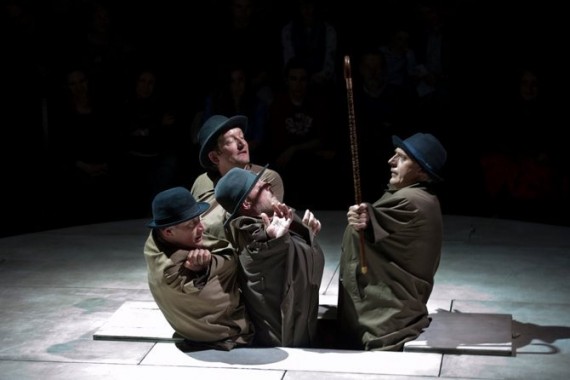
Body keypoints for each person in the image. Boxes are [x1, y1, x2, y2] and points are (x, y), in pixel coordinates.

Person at [337, 132, 447, 351]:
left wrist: (365, 215)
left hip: (390, 315)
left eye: (402, 158)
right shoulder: (420, 196)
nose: (391, 161)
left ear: (422, 173)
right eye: (394, 155)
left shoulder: (411, 200)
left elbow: (375, 218)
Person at [214, 166, 324, 347]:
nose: (267, 183)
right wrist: (270, 240)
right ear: (246, 204)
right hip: (285, 346)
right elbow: (259, 254)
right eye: (259, 186)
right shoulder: (255, 236)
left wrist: (307, 233)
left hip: (303, 331)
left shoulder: (279, 220)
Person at [143, 186, 254, 351]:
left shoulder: (155, 241)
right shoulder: (170, 269)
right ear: (168, 231)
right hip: (217, 331)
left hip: (184, 328)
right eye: (191, 224)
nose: (201, 227)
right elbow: (230, 261)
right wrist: (204, 269)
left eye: (198, 219)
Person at [190, 114, 284, 244]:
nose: (242, 144)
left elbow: (266, 227)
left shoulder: (266, 179)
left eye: (242, 137)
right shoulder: (202, 182)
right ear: (214, 157)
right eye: (230, 141)